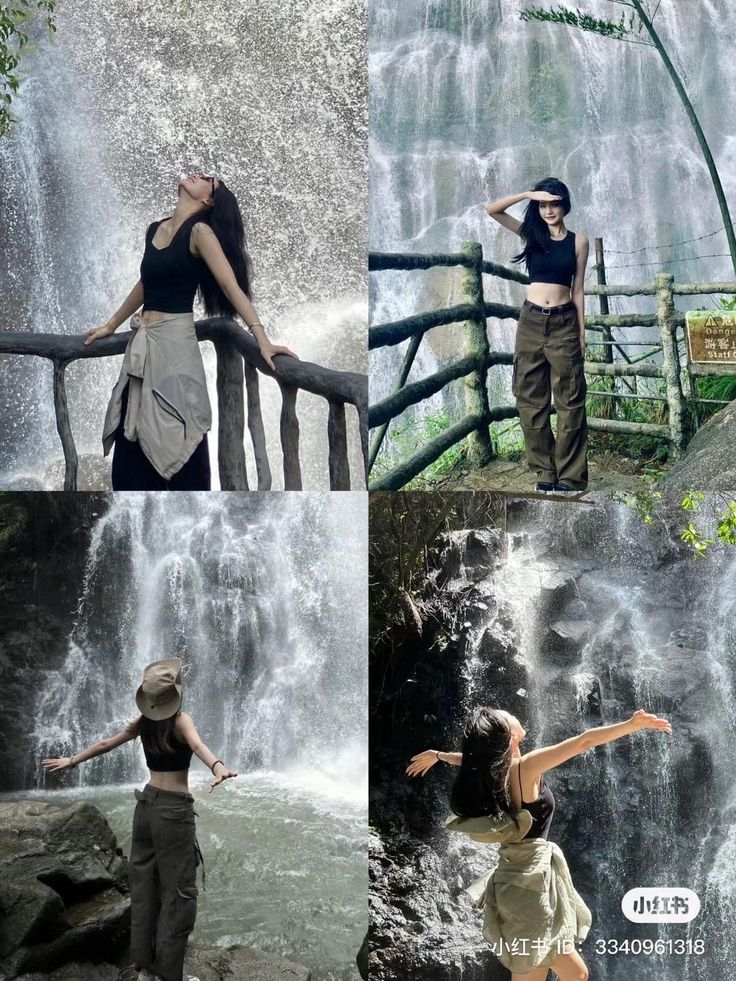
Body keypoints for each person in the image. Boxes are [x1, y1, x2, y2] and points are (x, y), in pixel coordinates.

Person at [407, 706, 672, 980]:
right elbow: (584, 741)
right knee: (568, 975)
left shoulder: (492, 771)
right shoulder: (526, 768)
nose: (507, 711)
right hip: (530, 890)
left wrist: (438, 756)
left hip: (518, 882)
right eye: (504, 716)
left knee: (571, 974)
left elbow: (469, 759)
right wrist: (631, 725)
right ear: (510, 735)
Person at [83, 173, 297, 491]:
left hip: (176, 347)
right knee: (134, 428)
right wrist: (110, 325)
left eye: (208, 180)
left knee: (178, 424)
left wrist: (261, 339)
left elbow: (230, 286)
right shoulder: (155, 229)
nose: (198, 175)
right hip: (144, 344)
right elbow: (146, 284)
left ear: (207, 200)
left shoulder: (200, 233)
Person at [43, 657, 237, 981]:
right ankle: (168, 973)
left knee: (144, 888)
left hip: (144, 807)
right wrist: (218, 767)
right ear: (176, 694)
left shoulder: (144, 722)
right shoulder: (180, 719)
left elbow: (107, 743)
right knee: (179, 893)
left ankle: (142, 965)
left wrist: (73, 760)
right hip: (173, 812)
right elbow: (197, 744)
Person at [486, 178, 589, 494]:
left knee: (570, 400)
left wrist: (581, 333)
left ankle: (570, 477)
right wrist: (526, 194)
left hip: (563, 323)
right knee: (530, 399)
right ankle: (544, 472)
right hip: (530, 322)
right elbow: (493, 210)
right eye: (542, 205)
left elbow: (579, 289)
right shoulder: (531, 235)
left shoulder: (578, 241)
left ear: (564, 205)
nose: (548, 210)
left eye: (554, 203)